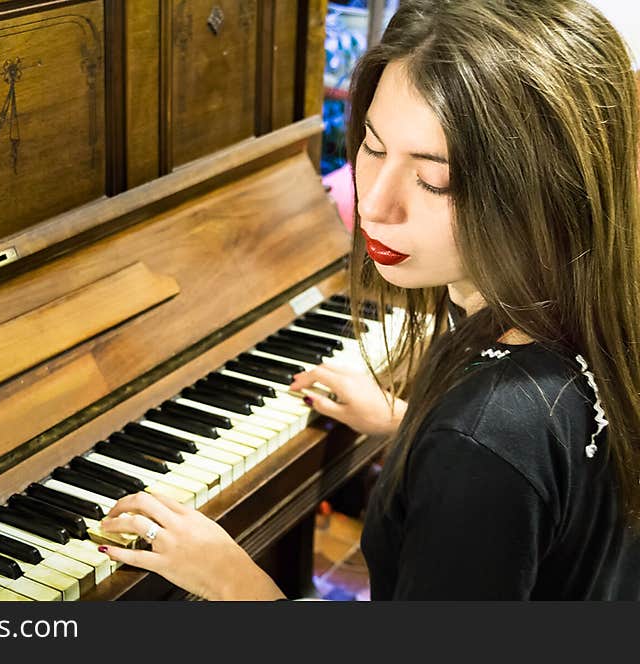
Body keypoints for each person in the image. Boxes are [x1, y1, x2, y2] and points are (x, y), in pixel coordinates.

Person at [97, 0, 640, 600]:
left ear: (542, 188)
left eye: (435, 178)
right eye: (375, 148)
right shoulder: (592, 311)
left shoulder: (484, 443)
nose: (374, 204)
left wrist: (231, 580)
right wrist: (407, 426)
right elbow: (548, 484)